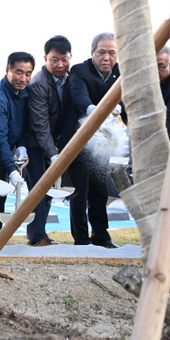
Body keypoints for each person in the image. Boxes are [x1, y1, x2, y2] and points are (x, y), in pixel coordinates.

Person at [68, 32, 121, 248]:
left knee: (100, 190)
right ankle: (81, 239)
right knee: (80, 191)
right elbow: (79, 96)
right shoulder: (80, 71)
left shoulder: (121, 73)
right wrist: (98, 111)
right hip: (79, 139)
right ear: (92, 53)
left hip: (103, 143)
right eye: (101, 52)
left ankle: (101, 235)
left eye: (111, 53)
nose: (106, 58)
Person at [26, 36, 75, 247]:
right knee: (39, 188)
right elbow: (40, 124)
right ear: (45, 58)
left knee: (48, 191)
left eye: (64, 59)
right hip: (35, 143)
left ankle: (40, 233)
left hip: (54, 142)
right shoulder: (38, 84)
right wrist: (52, 153)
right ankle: (36, 237)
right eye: (54, 59)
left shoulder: (71, 77)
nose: (60, 65)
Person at [0, 52, 36, 242]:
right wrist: (11, 170)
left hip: (8, 148)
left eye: (28, 74)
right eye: (19, 72)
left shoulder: (23, 93)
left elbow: (20, 125)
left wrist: (21, 146)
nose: (23, 78)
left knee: (0, 197)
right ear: (7, 70)